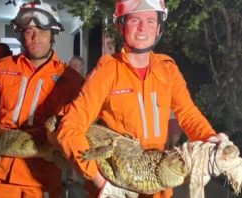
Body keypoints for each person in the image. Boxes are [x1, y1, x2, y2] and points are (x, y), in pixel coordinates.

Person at [56, 0, 225, 198]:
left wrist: (210, 138)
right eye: (135, 20)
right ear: (121, 25)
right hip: (117, 187)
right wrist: (98, 181)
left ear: (159, 27)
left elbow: (188, 113)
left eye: (151, 21)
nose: (143, 27)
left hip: (159, 183)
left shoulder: (167, 69)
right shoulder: (107, 71)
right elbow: (70, 127)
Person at [0, 0, 83, 197]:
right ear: (20, 33)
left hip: (44, 176)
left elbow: (80, 121)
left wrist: (73, 161)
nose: (35, 38)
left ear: (53, 34)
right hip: (1, 169)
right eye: (29, 31)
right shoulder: (1, 69)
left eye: (42, 31)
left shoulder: (71, 79)